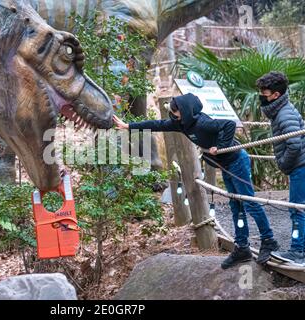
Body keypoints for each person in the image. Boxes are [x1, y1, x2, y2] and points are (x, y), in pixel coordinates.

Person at [113, 93, 279, 269]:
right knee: (235, 205)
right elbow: (157, 124)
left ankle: (268, 240)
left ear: (186, 111)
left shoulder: (202, 123)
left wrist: (221, 146)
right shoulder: (182, 124)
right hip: (225, 166)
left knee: (249, 203)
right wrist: (128, 126)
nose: (173, 115)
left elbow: (229, 125)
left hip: (237, 161)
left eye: (176, 112)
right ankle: (242, 247)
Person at [257, 71, 305, 267]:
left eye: (264, 93)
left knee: (296, 210)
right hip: (303, 164)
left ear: (275, 95)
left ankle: (297, 253)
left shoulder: (284, 114)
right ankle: (298, 250)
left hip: (302, 165)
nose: (261, 96)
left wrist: (283, 164)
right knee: (300, 209)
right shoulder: (279, 110)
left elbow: (294, 145)